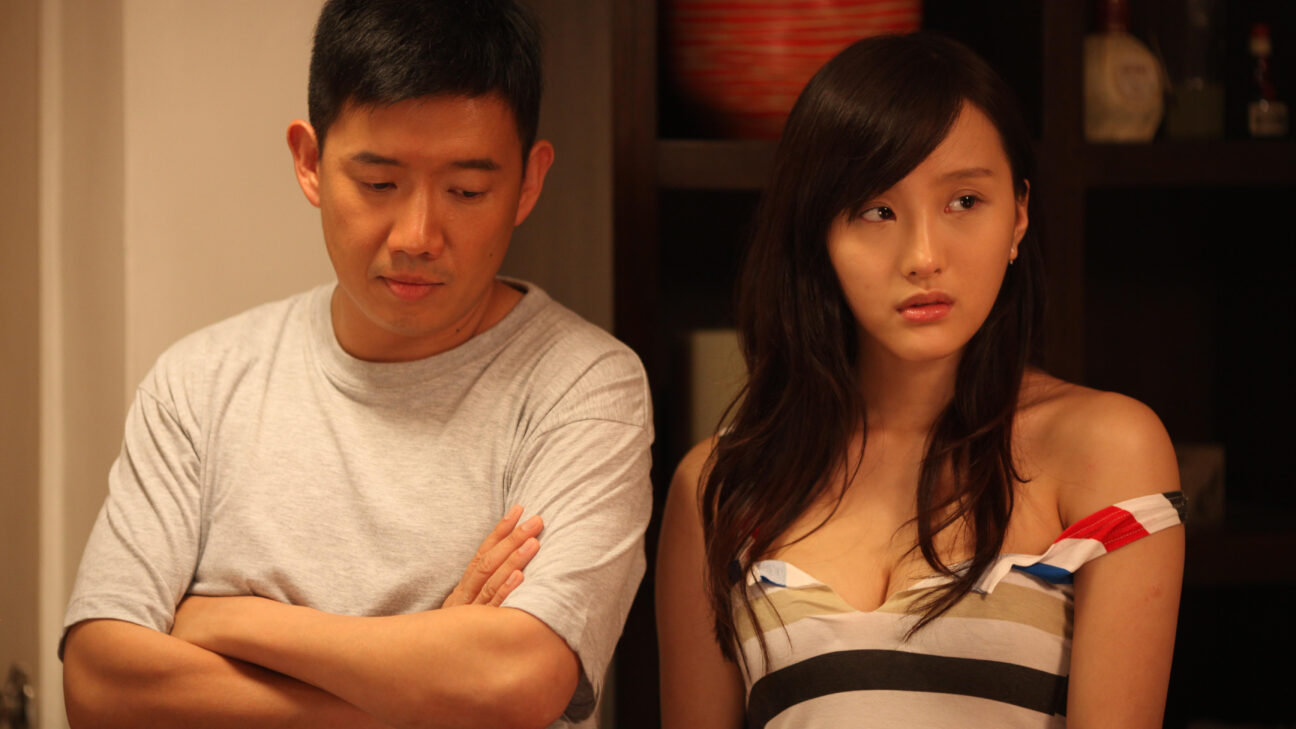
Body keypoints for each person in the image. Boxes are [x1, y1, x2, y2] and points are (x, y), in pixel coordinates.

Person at [60, 2, 652, 728]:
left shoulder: (584, 386)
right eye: (378, 183)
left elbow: (518, 680)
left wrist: (229, 620)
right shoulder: (200, 382)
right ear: (309, 162)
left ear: (529, 182)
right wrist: (429, 687)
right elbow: (98, 684)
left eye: (466, 191)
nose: (417, 236)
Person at [657, 33, 1184, 729]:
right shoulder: (720, 486)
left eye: (964, 200)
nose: (923, 256)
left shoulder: (1110, 449)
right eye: (877, 211)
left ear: (1019, 214)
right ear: (818, 233)